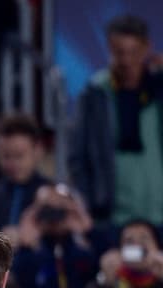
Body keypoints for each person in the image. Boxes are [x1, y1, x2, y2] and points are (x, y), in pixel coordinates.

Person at [70, 13, 163, 230]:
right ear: (109, 49)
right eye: (119, 52)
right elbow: (78, 157)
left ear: (147, 47)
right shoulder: (95, 93)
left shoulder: (159, 88)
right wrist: (91, 203)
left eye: (134, 52)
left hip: (160, 214)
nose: (127, 61)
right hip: (110, 218)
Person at [0, 114, 51, 240]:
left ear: (38, 150)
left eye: (19, 155)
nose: (12, 163)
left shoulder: (53, 197)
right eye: (6, 156)